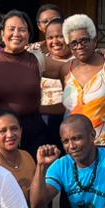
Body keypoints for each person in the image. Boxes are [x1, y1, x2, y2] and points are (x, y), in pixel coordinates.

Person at [0, 10, 47, 154]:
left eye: (22, 30)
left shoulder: (38, 59)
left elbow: (69, 66)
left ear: (29, 35)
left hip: (32, 133)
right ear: (2, 33)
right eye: (11, 29)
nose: (16, 34)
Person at [59, 14, 105, 153]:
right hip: (75, 148)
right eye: (74, 43)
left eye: (84, 40)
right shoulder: (65, 69)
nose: (79, 46)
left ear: (95, 40)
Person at [0, 110, 39, 192]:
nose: (10, 135)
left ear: (21, 130)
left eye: (14, 129)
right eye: (3, 131)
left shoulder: (27, 156)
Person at [39, 16, 70, 145]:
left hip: (68, 122)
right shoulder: (39, 60)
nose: (55, 41)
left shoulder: (78, 62)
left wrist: (36, 108)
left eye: (60, 36)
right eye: (50, 38)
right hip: (40, 123)